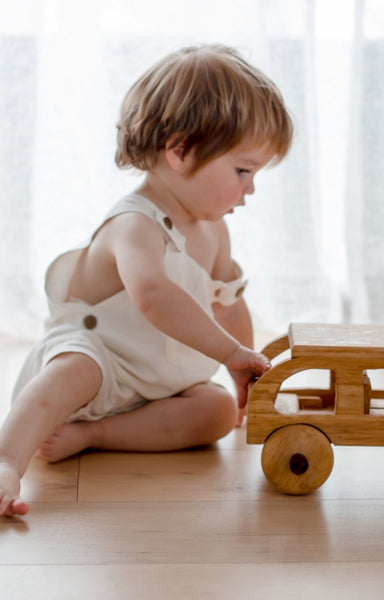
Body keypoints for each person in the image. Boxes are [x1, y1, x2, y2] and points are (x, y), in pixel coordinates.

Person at [0, 44, 293, 517]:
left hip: (156, 381)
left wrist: (243, 373)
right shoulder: (134, 224)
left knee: (216, 411)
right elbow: (153, 297)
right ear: (180, 150)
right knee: (75, 369)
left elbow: (227, 303)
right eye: (243, 170)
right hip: (102, 363)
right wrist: (229, 353)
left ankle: (96, 435)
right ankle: (8, 459)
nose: (250, 188)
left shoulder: (215, 230)